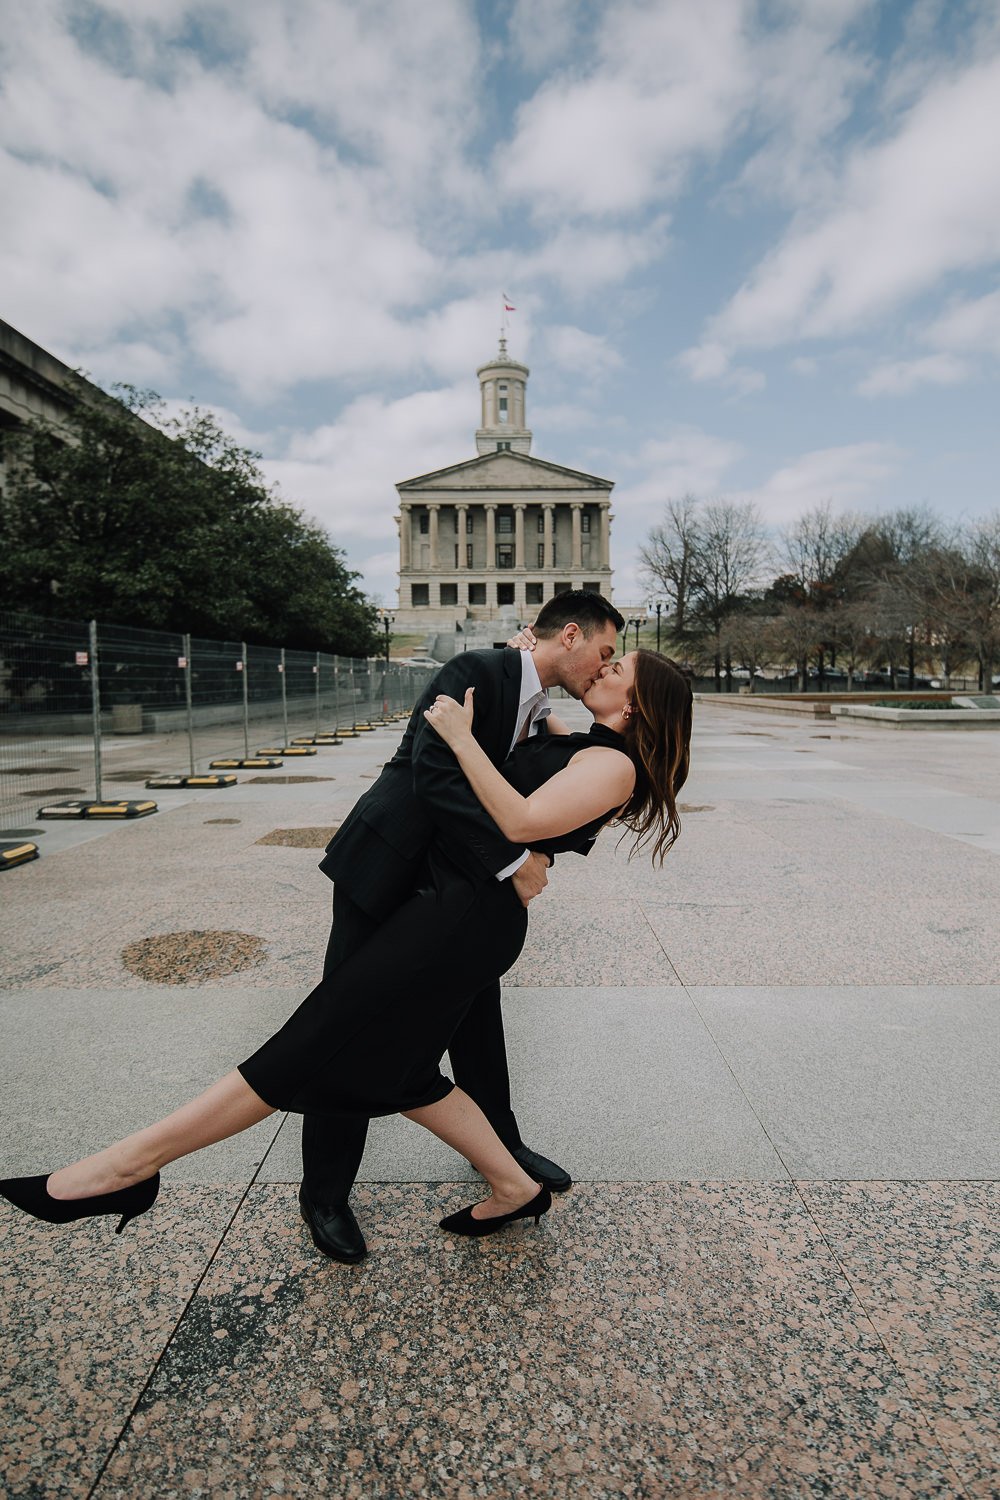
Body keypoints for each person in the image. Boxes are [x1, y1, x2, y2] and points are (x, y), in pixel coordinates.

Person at [0, 650, 693, 1246]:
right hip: (452, 911)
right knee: (409, 1074)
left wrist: (460, 738)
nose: (605, 664)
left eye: (619, 668)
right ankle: (513, 1185)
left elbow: (519, 817)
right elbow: (534, 747)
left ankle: (125, 1168)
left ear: (638, 706)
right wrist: (525, 688)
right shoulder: (585, 743)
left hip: (462, 923)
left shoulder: (615, 767)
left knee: (309, 1041)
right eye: (608, 653)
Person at [300, 590, 623, 1262]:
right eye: (605, 651)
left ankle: (500, 1149)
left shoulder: (536, 703)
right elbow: (435, 777)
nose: (604, 665)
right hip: (386, 868)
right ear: (570, 635)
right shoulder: (479, 669)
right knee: (344, 1022)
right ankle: (324, 1192)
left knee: (479, 1019)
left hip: (453, 888)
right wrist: (515, 862)